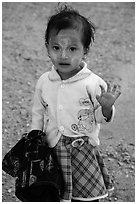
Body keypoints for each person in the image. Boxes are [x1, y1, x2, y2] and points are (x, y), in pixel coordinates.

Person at [31, 4, 121, 202]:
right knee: (55, 190)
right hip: (53, 147)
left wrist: (106, 108)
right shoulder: (45, 81)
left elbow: (99, 117)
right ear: (47, 48)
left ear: (85, 51)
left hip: (83, 149)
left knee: (86, 196)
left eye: (72, 48)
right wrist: (34, 135)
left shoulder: (93, 83)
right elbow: (38, 111)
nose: (63, 55)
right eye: (56, 47)